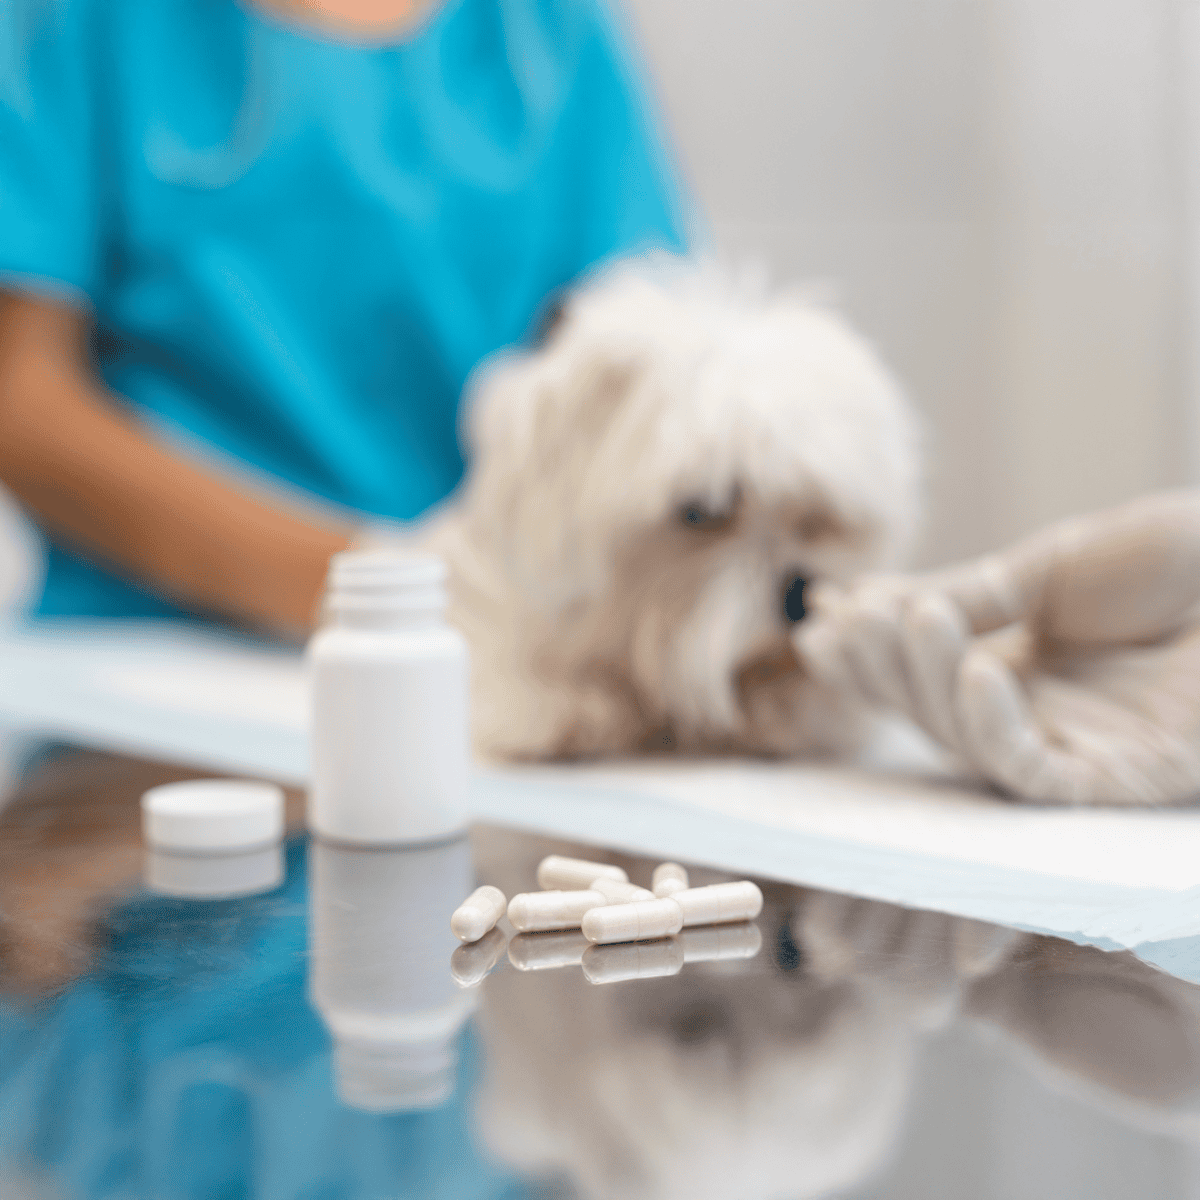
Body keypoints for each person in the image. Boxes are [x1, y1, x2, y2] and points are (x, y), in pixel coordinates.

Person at [0, 0, 688, 640]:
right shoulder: (81, 20)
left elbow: (652, 373)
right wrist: (380, 590)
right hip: (159, 653)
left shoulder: (549, 28)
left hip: (481, 658)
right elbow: (21, 399)